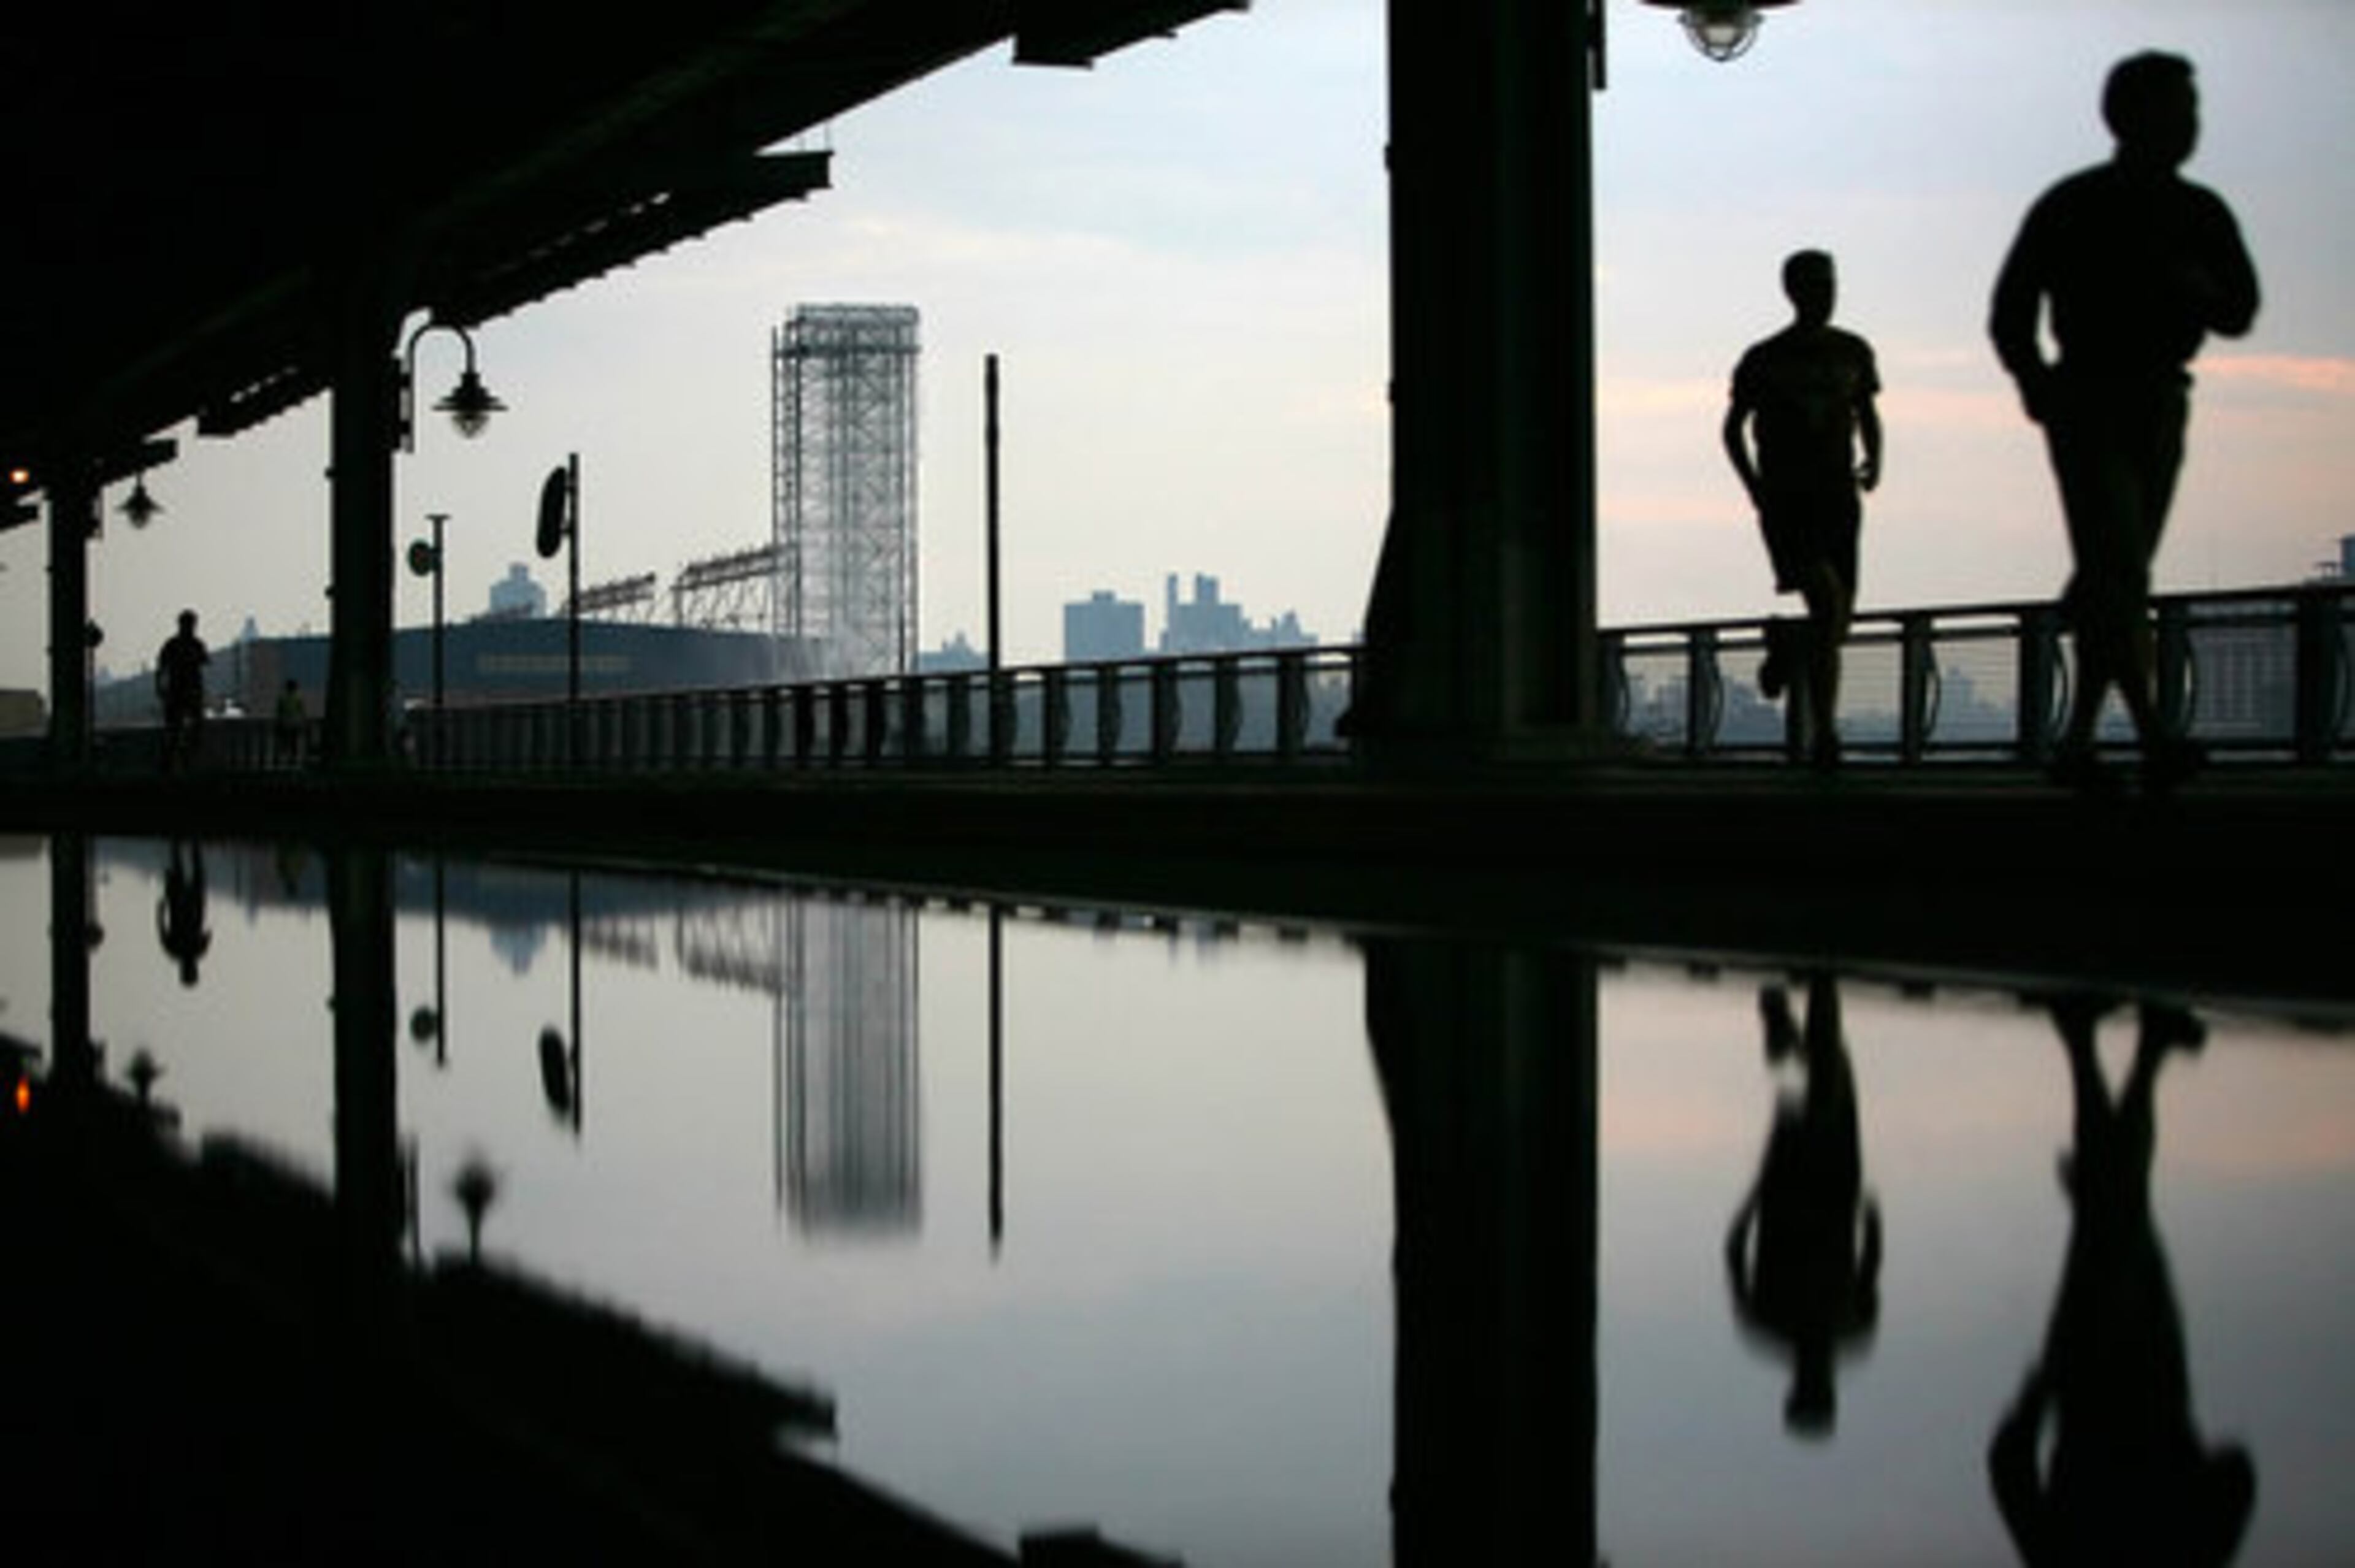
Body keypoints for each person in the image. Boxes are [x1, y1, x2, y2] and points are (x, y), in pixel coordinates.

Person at [1990, 52, 2259, 794]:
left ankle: (2078, 740)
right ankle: (2153, 735)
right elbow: (2012, 310)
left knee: (2116, 570)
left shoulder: (2193, 212)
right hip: (2091, 396)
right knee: (2121, 561)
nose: (2190, 125)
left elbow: (2239, 307)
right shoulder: (2082, 205)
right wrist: (2039, 383)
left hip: (2154, 398)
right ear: (2132, 116)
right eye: (2178, 109)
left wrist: (2196, 289)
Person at [1988, 995, 2256, 1565]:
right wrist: (2042, 1390)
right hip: (2095, 1386)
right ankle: (2108, 1044)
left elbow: (2235, 1473)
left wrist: (2043, 1391)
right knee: (2117, 1211)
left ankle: (2117, 1044)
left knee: (2118, 1213)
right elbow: (2009, 1466)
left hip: (2137, 1391)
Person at [1724, 250, 1883, 768]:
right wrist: (1755, 486)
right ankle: (1828, 735)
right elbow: (1732, 428)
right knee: (1829, 599)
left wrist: (1875, 460)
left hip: (1840, 497)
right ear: (1793, 292)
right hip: (1789, 500)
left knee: (1836, 620)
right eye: (1815, 285)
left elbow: (1868, 412)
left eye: (1831, 284)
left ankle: (1790, 647)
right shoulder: (1764, 359)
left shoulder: (1854, 351)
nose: (1826, 294)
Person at [1725, 974, 1882, 1437]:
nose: (1815, 1379)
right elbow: (1871, 1265)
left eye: (1809, 1388)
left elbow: (1734, 1257)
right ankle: (1795, 1024)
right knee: (1828, 1088)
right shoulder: (1830, 1325)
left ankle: (1816, 994)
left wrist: (1756, 1196)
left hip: (1808, 1191)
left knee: (1827, 1092)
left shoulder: (1842, 1326)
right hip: (1821, 1191)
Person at [154, 608, 210, 772]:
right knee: (180, 732)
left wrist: (159, 689)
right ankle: (178, 762)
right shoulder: (194, 644)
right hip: (184, 693)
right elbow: (204, 662)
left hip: (180, 694)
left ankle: (177, 762)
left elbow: (161, 669)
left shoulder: (174, 644)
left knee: (177, 732)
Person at [272, 679, 308, 768]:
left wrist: (278, 722)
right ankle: (292, 759)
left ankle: (282, 759)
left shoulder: (283, 698)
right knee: (293, 743)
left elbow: (279, 712)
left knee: (284, 743)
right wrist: (303, 722)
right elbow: (302, 711)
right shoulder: (298, 697)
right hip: (295, 723)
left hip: (285, 723)